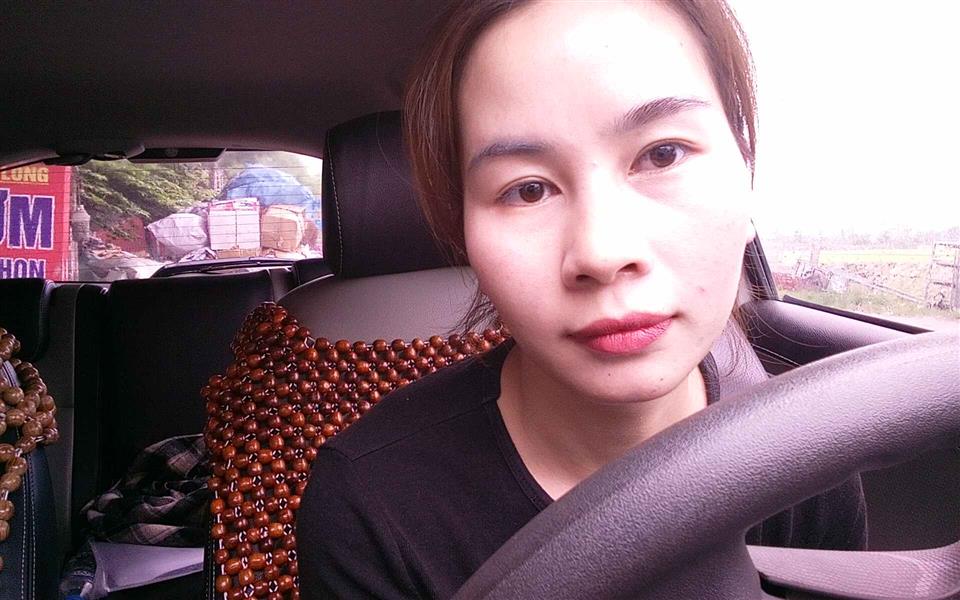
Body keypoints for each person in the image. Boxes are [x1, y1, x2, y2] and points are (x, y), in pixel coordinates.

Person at [298, 1, 867, 598]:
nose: (601, 252)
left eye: (663, 154)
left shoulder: (809, 452)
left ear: (745, 174)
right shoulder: (368, 507)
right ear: (463, 231)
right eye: (528, 190)